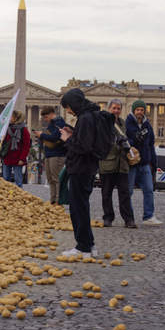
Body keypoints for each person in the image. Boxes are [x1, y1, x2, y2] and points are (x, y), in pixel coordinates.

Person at [59, 88, 104, 258]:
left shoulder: (85, 119)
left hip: (81, 168)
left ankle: (83, 247)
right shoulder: (90, 116)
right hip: (88, 168)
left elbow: (83, 147)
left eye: (68, 107)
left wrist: (67, 139)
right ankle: (89, 245)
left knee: (78, 208)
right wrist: (73, 133)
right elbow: (86, 141)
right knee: (82, 207)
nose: (68, 111)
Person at [98, 99, 136, 228]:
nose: (116, 111)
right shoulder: (103, 124)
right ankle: (108, 217)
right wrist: (115, 142)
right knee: (106, 193)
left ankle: (128, 219)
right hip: (107, 162)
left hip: (122, 163)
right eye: (114, 108)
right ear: (109, 109)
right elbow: (100, 142)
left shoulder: (122, 123)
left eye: (118, 108)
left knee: (124, 194)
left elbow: (127, 139)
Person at [126, 100, 162, 226]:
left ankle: (148, 216)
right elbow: (125, 141)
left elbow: (151, 144)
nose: (140, 112)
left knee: (148, 189)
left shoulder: (148, 125)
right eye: (138, 110)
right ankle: (128, 217)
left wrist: (153, 162)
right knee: (128, 191)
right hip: (132, 163)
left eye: (142, 110)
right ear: (134, 111)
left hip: (145, 163)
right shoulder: (128, 123)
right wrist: (135, 137)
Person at [32, 107, 67, 204]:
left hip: (57, 154)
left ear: (52, 114)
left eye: (46, 117)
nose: (45, 120)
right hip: (49, 154)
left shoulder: (59, 123)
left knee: (56, 178)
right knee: (50, 178)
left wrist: (42, 135)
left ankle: (58, 200)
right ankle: (52, 200)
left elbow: (55, 137)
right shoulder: (51, 124)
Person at [0, 111, 31, 188]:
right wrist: (0, 140)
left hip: (18, 158)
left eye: (11, 116)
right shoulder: (6, 128)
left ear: (16, 118)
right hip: (7, 157)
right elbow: (2, 143)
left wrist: (22, 158)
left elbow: (26, 146)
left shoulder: (23, 130)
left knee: (18, 181)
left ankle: (18, 197)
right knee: (5, 180)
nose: (9, 118)